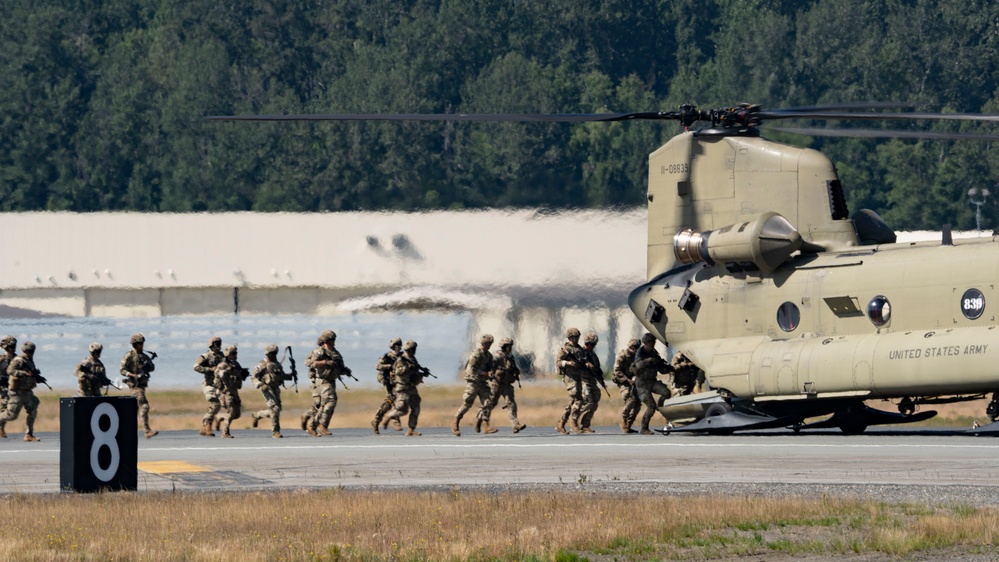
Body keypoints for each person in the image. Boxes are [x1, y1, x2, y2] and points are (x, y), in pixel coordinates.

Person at [304, 330, 352, 437]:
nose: (333, 342)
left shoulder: (336, 353)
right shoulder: (319, 352)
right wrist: (325, 362)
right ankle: (322, 425)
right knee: (330, 401)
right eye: (331, 340)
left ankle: (312, 425)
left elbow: (340, 367)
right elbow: (310, 363)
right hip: (322, 380)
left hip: (331, 381)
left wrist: (346, 371)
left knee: (324, 404)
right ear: (326, 340)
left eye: (334, 339)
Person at [453, 334, 497, 436]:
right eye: (486, 343)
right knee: (467, 403)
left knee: (487, 403)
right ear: (483, 343)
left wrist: (491, 374)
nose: (488, 345)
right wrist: (485, 373)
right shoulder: (476, 355)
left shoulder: (489, 356)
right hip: (473, 382)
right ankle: (456, 421)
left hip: (482, 383)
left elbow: (490, 368)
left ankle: (485, 425)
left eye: (489, 343)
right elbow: (470, 370)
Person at [0, 341, 43, 441]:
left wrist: (37, 378)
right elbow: (10, 371)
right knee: (11, 415)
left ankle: (29, 434)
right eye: (28, 351)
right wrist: (22, 373)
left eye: (31, 351)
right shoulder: (18, 360)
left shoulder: (29, 361)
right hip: (17, 393)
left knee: (33, 410)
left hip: (27, 392)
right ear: (24, 350)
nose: (30, 353)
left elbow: (31, 375)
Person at [631, 333, 672, 435]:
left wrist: (670, 368)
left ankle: (660, 405)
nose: (652, 344)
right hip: (642, 384)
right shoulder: (640, 353)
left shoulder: (654, 353)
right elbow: (638, 365)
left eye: (653, 342)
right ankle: (644, 428)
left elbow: (661, 369)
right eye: (650, 342)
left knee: (666, 392)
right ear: (645, 343)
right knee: (651, 406)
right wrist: (649, 361)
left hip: (652, 381)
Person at [250, 344, 294, 438]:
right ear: (267, 354)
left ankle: (257, 415)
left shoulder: (277, 364)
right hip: (267, 389)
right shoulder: (262, 364)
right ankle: (275, 431)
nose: (274, 355)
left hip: (276, 389)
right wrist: (260, 384)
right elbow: (254, 377)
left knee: (276, 410)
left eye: (275, 353)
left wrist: (291, 375)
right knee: (275, 409)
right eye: (272, 353)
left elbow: (281, 376)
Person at [484, 337, 527, 433]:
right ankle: (483, 421)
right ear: (503, 346)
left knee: (511, 404)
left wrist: (515, 372)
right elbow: (490, 367)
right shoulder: (498, 356)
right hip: (496, 384)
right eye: (507, 346)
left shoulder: (511, 357)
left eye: (510, 346)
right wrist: (491, 374)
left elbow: (513, 367)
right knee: (491, 403)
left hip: (507, 384)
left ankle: (516, 424)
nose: (509, 347)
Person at [120, 333, 158, 438]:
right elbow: (122, 369)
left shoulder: (144, 356)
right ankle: (147, 431)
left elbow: (152, 368)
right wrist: (133, 375)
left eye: (142, 343)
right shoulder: (129, 355)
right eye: (140, 343)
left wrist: (147, 366)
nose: (142, 345)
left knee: (134, 410)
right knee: (144, 406)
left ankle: (126, 431)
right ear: (135, 344)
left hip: (142, 386)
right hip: (135, 386)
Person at [384, 340, 425, 436]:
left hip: (411, 387)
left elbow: (414, 372)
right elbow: (397, 371)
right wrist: (408, 367)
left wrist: (422, 373)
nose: (415, 351)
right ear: (410, 350)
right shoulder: (401, 360)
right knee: (402, 410)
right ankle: (388, 416)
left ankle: (411, 429)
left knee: (416, 407)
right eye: (413, 349)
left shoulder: (413, 359)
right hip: (402, 388)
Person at [555, 327, 587, 434]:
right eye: (573, 337)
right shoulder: (565, 350)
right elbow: (558, 362)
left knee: (574, 401)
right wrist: (568, 363)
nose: (575, 339)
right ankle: (573, 423)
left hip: (578, 377)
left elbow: (584, 360)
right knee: (576, 398)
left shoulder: (580, 349)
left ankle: (561, 423)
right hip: (570, 377)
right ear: (569, 337)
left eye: (577, 337)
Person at [214, 345, 248, 438]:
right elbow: (220, 374)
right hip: (225, 392)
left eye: (236, 353)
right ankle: (225, 433)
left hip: (234, 390)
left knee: (237, 414)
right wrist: (228, 370)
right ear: (228, 354)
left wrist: (243, 373)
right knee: (231, 411)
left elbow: (239, 375)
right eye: (233, 353)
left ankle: (220, 417)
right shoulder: (222, 365)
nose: (235, 355)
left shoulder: (236, 364)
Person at [371, 338, 403, 434]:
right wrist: (390, 366)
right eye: (396, 345)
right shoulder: (387, 356)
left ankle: (376, 420)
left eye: (399, 345)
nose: (398, 347)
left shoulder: (402, 356)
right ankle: (395, 421)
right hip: (388, 381)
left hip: (399, 382)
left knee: (389, 403)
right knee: (392, 399)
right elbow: (378, 366)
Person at [194, 336, 224, 437]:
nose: (219, 345)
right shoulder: (205, 356)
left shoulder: (222, 356)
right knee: (215, 404)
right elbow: (196, 367)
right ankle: (207, 424)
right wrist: (209, 369)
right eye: (217, 343)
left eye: (220, 343)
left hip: (219, 385)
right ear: (211, 344)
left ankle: (206, 426)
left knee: (221, 405)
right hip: (209, 384)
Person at [577, 332, 606, 433]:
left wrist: (601, 380)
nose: (590, 346)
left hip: (592, 380)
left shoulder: (593, 355)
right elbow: (577, 365)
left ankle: (585, 424)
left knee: (595, 402)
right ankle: (574, 418)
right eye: (588, 344)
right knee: (589, 401)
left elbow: (597, 369)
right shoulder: (579, 353)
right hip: (582, 379)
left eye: (593, 344)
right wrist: (586, 364)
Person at [612, 338, 641, 433]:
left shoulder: (637, 356)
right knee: (630, 399)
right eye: (636, 347)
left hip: (632, 381)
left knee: (638, 403)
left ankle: (629, 424)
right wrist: (628, 380)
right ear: (631, 347)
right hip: (622, 381)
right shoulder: (622, 355)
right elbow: (617, 370)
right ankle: (623, 418)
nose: (637, 349)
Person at [0, 336, 16, 416]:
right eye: (11, 346)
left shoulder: (18, 359)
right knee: (4, 406)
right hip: (3, 388)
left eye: (14, 346)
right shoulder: (1, 360)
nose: (13, 349)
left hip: (16, 387)